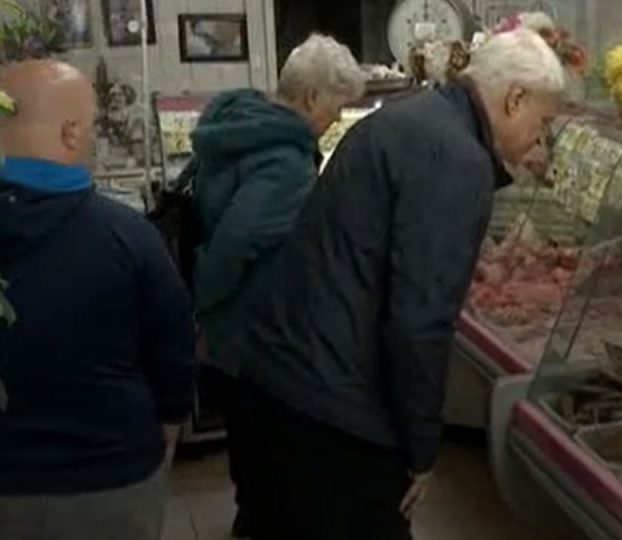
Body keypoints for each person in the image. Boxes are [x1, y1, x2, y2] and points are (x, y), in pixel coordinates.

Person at [231, 28, 565, 539]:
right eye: (542, 123)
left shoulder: (415, 118)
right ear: (514, 98)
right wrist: (420, 447)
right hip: (332, 418)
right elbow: (418, 323)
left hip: (281, 385)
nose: (538, 141)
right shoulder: (457, 159)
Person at [0, 60, 196, 540]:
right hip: (110, 479)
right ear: (70, 133)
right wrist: (168, 426)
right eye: (90, 128)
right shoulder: (128, 236)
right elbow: (172, 354)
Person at [183, 33, 366, 538]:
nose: (335, 120)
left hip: (233, 326)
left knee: (247, 443)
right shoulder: (285, 162)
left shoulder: (240, 125)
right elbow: (235, 244)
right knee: (270, 452)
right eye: (335, 106)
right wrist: (202, 312)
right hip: (258, 327)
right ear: (310, 96)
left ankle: (252, 517)